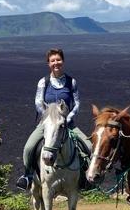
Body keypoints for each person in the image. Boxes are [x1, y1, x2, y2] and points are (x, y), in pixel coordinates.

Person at [16, 48, 93, 190]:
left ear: (63, 61)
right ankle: (27, 176)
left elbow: (76, 103)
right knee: (28, 147)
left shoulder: (71, 82)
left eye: (58, 60)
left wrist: (67, 118)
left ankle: (85, 178)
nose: (56, 63)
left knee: (89, 146)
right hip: (47, 124)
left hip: (67, 123)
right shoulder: (43, 82)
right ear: (48, 63)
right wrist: (48, 118)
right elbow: (38, 102)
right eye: (52, 60)